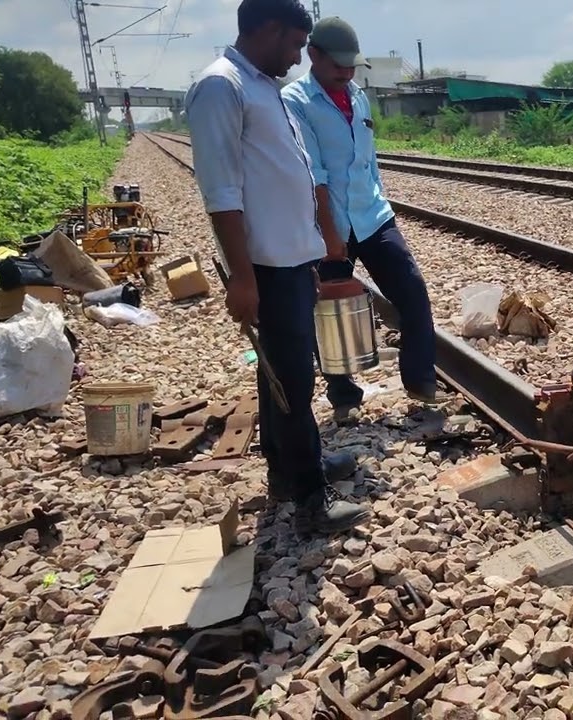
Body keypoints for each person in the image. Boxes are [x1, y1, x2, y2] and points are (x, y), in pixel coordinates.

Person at [184, 0, 369, 534]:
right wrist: (243, 277)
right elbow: (221, 192)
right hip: (264, 268)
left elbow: (283, 177)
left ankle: (289, 473)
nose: (296, 57)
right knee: (291, 383)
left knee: (282, 379)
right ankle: (312, 500)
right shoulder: (222, 87)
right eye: (292, 44)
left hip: (289, 263)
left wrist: (308, 255)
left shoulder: (261, 84)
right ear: (267, 29)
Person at [281, 16, 439, 425]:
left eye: (352, 65)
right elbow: (311, 173)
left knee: (412, 290)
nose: (347, 72)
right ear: (313, 55)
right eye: (338, 65)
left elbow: (368, 162)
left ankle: (420, 379)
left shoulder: (358, 96)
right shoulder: (295, 101)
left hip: (371, 216)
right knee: (328, 309)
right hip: (327, 223)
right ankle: (343, 393)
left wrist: (381, 202)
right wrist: (330, 234)